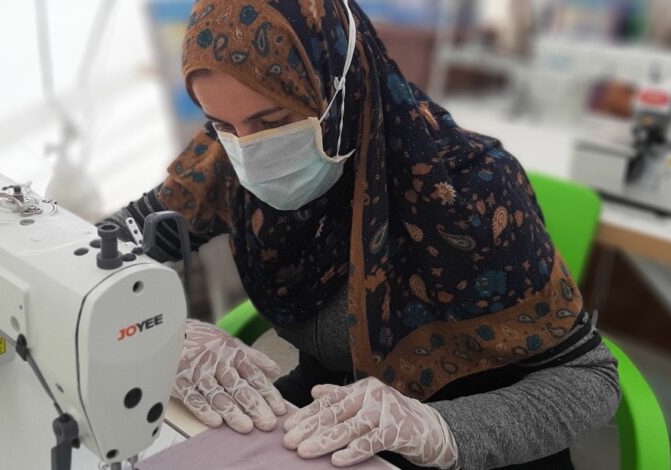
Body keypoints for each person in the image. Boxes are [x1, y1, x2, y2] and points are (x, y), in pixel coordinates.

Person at [104, 0, 619, 468]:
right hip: (331, 419)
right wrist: (165, 334)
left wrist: (439, 430)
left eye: (274, 119)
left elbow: (589, 380)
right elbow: (108, 243)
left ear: (340, 90)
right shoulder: (228, 157)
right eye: (220, 124)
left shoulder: (470, 193)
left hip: (476, 442)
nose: (249, 152)